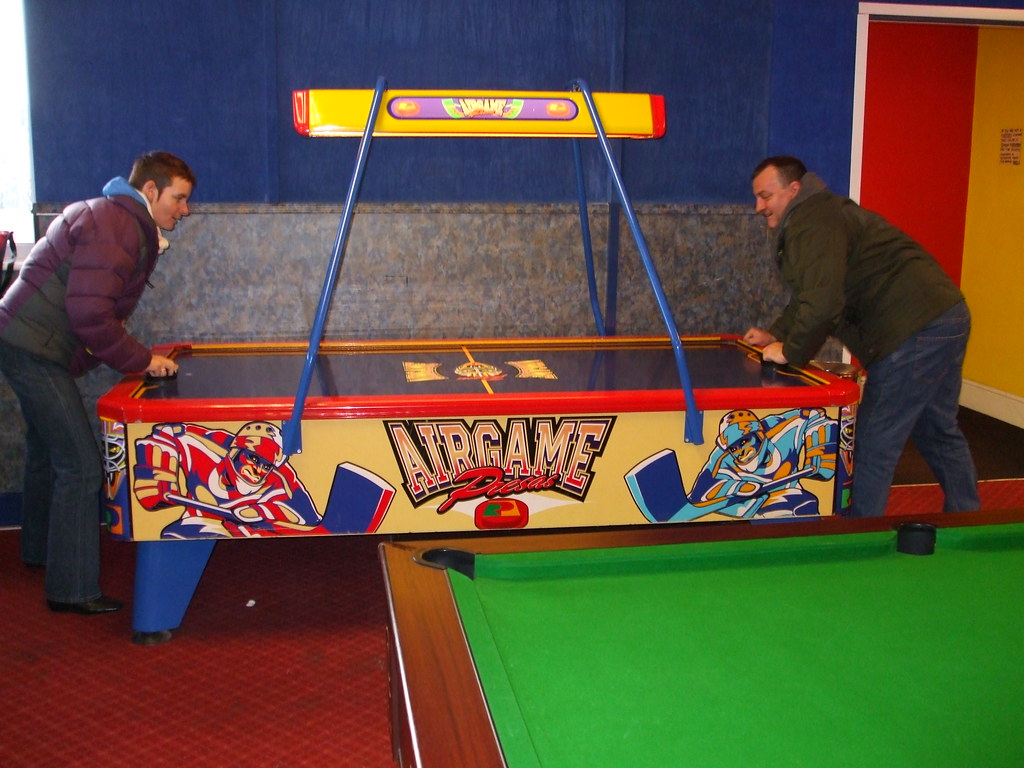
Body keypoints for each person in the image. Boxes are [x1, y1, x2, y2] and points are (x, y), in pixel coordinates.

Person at [0, 151, 195, 613]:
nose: (185, 210)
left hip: (22, 338)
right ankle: (71, 589)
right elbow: (90, 315)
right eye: (179, 198)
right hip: (34, 347)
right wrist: (142, 360)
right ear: (151, 190)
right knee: (82, 467)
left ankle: (41, 551)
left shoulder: (113, 216)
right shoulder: (117, 225)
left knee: (47, 450)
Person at [743, 155, 979, 518]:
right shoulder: (819, 214)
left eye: (765, 196)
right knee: (936, 428)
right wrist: (774, 333)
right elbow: (811, 294)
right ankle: (968, 517)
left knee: (873, 439)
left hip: (911, 328)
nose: (759, 207)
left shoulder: (812, 221)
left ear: (793, 189)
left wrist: (789, 351)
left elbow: (823, 304)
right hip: (944, 315)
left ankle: (861, 533)